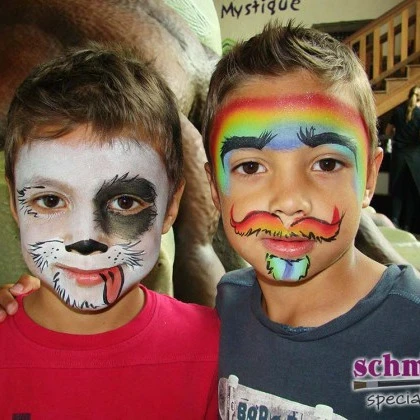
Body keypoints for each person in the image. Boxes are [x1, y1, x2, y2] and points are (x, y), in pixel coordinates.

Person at [201, 21, 420, 419]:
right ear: (215, 186)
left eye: (326, 163)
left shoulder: (411, 329)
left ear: (369, 178)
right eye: (250, 167)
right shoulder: (228, 305)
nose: (289, 203)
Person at [0, 44, 219, 418]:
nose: (86, 239)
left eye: (124, 202)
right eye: (50, 201)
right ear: (14, 203)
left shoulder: (216, 349)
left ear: (171, 206)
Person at [385, 85, 420, 232]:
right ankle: (407, 224)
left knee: (397, 189)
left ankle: (394, 221)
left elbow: (388, 132)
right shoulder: (419, 114)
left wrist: (396, 136)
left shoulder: (398, 111)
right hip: (414, 157)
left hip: (398, 156)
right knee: (411, 192)